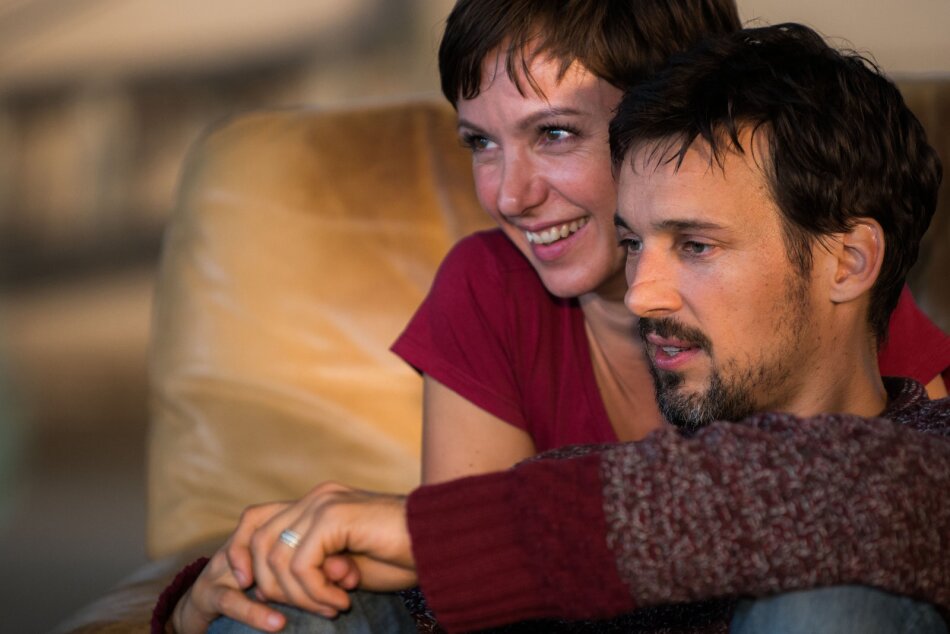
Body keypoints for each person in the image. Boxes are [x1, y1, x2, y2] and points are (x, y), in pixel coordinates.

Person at [154, 1, 950, 631]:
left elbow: (880, 488)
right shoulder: (496, 293)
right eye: (479, 142)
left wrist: (433, 537)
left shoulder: (827, 305)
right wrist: (258, 573)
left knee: (833, 593)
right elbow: (468, 590)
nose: (508, 194)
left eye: (557, 133)